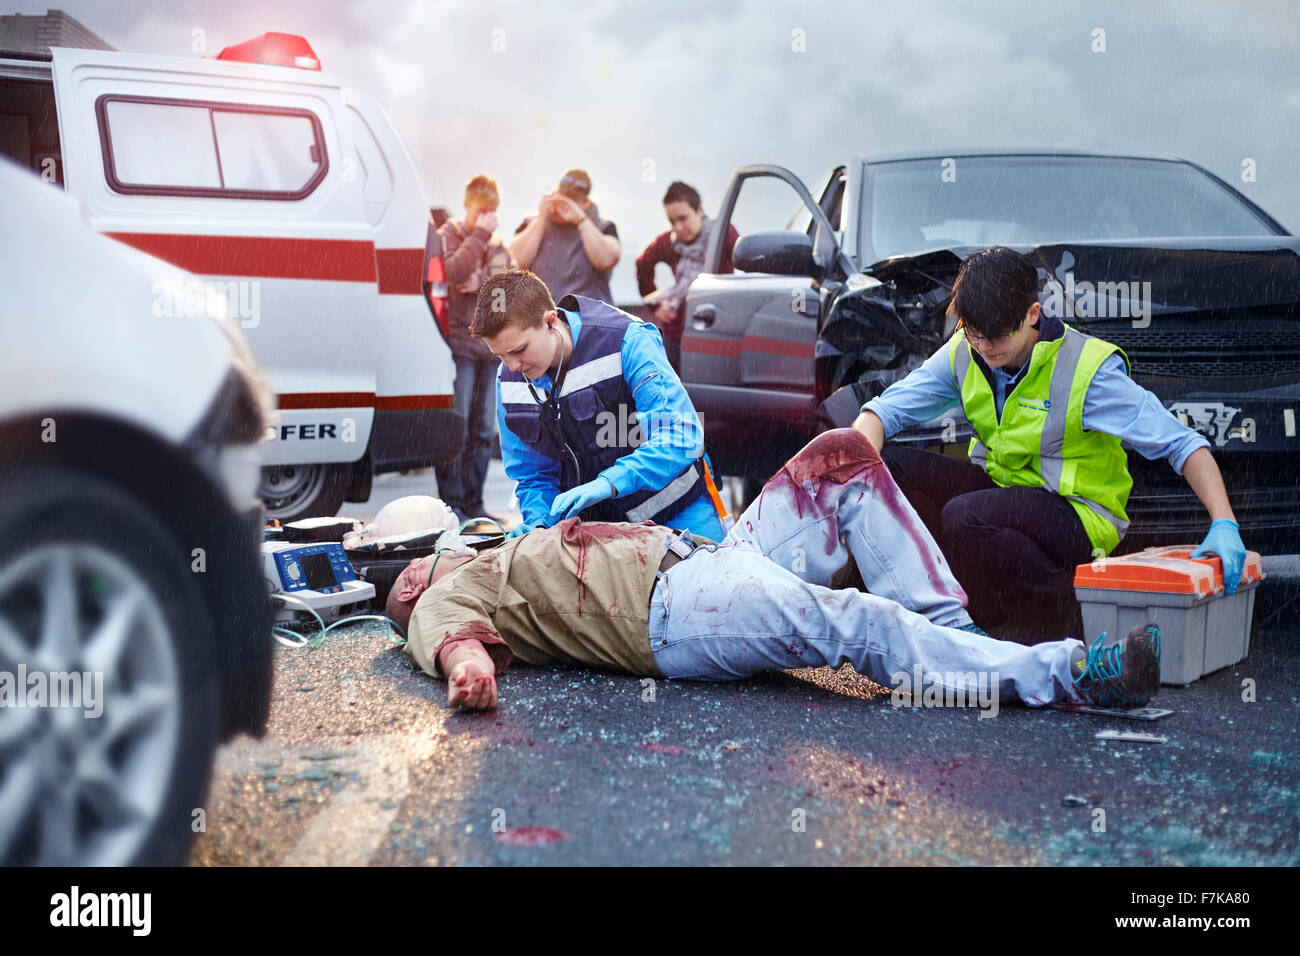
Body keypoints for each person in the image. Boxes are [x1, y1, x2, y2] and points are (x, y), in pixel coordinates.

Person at [385, 428, 1162, 713]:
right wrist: (469, 672)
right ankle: (1060, 675)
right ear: (416, 578)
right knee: (856, 621)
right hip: (680, 612)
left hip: (710, 561)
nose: (436, 552)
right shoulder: (441, 594)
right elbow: (452, 640)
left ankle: (953, 641)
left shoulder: (487, 550)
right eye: (426, 554)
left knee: (843, 460)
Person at [851, 246, 1246, 640]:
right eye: (975, 334)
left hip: (1077, 516)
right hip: (1006, 498)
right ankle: (946, 603)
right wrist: (849, 468)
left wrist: (1224, 522)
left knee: (964, 516)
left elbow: (1182, 444)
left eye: (999, 334)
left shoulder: (1087, 371)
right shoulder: (966, 350)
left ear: (1032, 315)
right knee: (890, 466)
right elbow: (880, 413)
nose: (986, 347)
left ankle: (1065, 613)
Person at [472, 269, 728, 540]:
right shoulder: (509, 380)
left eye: (519, 350)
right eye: (500, 355)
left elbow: (680, 435)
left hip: (679, 513)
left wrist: (611, 483)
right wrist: (540, 523)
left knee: (707, 581)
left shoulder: (627, 340)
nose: (512, 365)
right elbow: (532, 474)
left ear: (550, 321)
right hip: (596, 535)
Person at [433, 175, 514, 523]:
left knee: (483, 430)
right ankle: (452, 506)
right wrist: (478, 237)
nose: (487, 219)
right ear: (467, 205)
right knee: (458, 426)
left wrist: (477, 283)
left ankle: (474, 504)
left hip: (488, 348)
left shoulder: (498, 246)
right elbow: (451, 271)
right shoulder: (448, 235)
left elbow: (506, 289)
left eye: (492, 212)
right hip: (459, 346)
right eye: (482, 212)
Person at [635, 180, 740, 371]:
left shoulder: (723, 235)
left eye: (683, 218)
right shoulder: (668, 242)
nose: (678, 227)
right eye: (672, 221)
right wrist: (655, 304)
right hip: (677, 334)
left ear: (699, 210)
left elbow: (748, 260)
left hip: (717, 329)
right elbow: (643, 264)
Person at [507, 168, 619, 302]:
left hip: (589, 317)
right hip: (542, 317)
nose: (564, 206)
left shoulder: (603, 227)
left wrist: (581, 220)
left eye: (572, 201)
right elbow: (514, 262)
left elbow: (607, 260)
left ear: (586, 204)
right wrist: (542, 218)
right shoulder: (531, 223)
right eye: (562, 198)